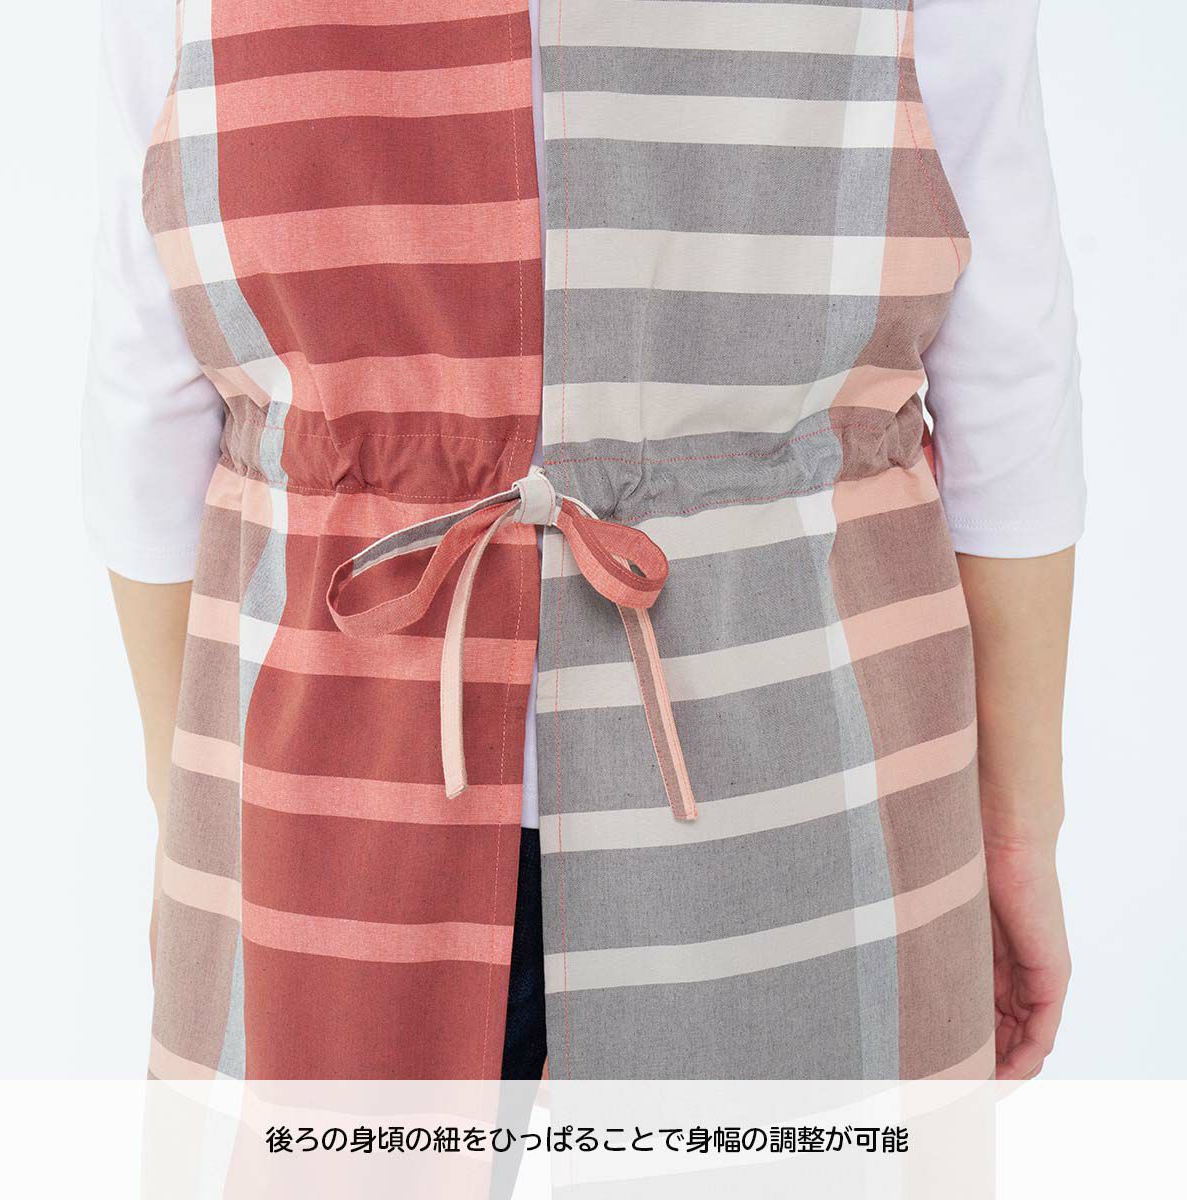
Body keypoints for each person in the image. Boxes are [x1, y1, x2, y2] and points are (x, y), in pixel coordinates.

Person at [84, 0, 1083, 1082]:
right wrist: (1017, 830)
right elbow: (1010, 378)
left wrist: (192, 816)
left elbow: (146, 405)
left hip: (327, 787)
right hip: (809, 775)